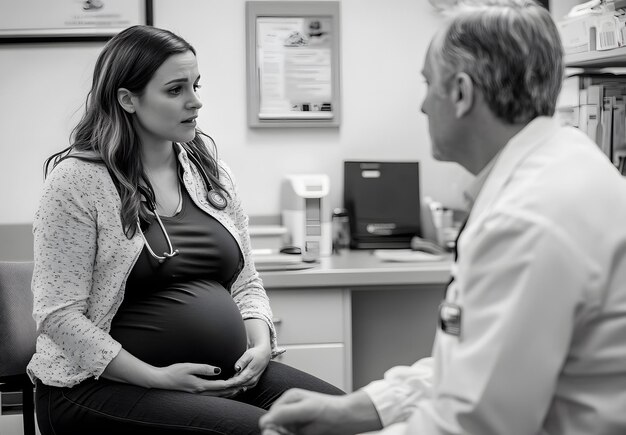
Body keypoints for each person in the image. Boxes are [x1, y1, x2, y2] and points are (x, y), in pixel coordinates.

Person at [260, 1, 626, 434]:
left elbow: (473, 424)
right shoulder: (563, 163)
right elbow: (481, 361)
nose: (421, 106)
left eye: (428, 84)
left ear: (461, 92)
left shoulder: (528, 217)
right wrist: (358, 409)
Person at [28, 24, 343, 435]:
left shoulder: (210, 173)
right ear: (128, 99)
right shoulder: (77, 182)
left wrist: (262, 346)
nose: (195, 102)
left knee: (347, 418)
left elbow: (246, 283)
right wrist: (156, 377)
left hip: (224, 379)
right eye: (175, 90)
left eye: (196, 85)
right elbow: (58, 314)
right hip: (97, 387)